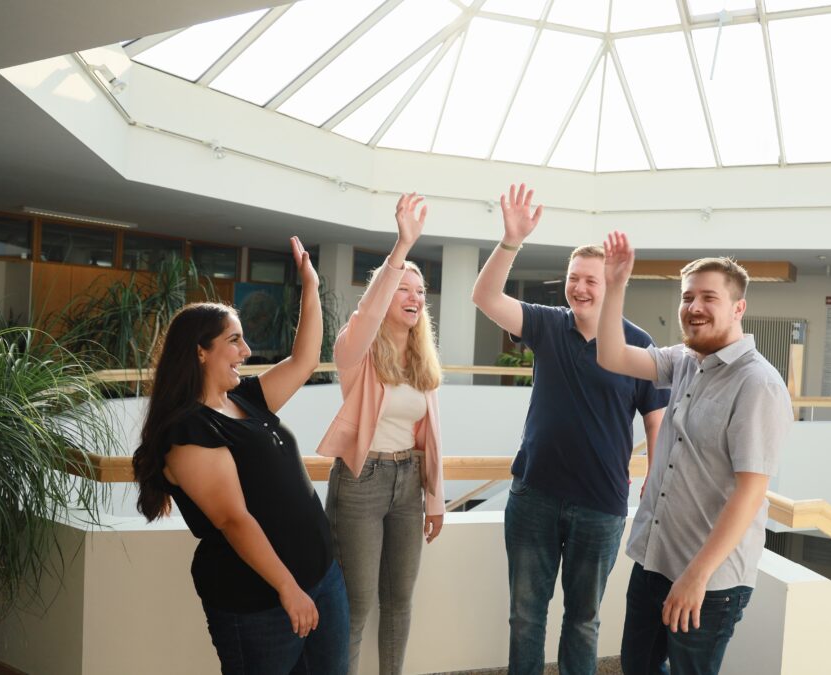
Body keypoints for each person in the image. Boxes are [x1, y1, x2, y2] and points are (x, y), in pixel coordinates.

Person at [472, 184, 668, 675]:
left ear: (610, 285)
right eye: (573, 278)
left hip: (601, 506)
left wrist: (657, 482)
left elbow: (657, 422)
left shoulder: (638, 344)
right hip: (534, 495)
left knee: (583, 621)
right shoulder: (545, 324)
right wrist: (511, 240)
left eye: (591, 281)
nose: (579, 288)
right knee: (525, 618)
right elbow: (485, 297)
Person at [132, 236, 348, 675]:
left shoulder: (246, 398)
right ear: (200, 351)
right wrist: (288, 589)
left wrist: (310, 285)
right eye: (234, 341)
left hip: (322, 578)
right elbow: (234, 519)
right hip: (262, 602)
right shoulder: (188, 431)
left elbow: (305, 360)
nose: (246, 352)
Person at [595, 231, 793, 675]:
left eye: (709, 297)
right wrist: (616, 284)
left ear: (738, 308)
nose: (694, 308)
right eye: (687, 298)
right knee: (637, 668)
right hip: (655, 559)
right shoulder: (686, 359)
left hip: (710, 580)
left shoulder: (757, 384)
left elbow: (750, 493)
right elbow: (610, 356)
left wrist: (697, 577)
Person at [316, 193, 445, 675]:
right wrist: (401, 248)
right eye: (403, 289)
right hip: (361, 480)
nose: (414, 297)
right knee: (358, 603)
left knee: (399, 601)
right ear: (382, 297)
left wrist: (435, 498)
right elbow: (366, 317)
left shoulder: (422, 359)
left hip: (408, 483)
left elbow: (430, 438)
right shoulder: (356, 350)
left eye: (419, 291)